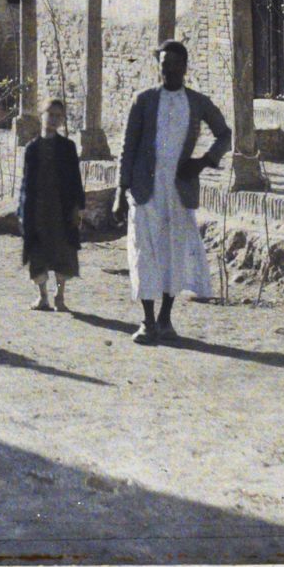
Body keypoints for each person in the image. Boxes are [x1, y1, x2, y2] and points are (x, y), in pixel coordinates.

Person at [113, 40, 230, 345]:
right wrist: (120, 192)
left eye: (174, 64)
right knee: (144, 253)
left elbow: (224, 134)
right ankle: (147, 322)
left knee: (172, 255)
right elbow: (128, 148)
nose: (168, 70)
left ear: (184, 67)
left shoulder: (197, 102)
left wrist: (202, 162)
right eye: (163, 64)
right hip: (144, 189)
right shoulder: (143, 101)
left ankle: (165, 319)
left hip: (179, 190)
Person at [18, 99, 85, 311]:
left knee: (62, 253)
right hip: (37, 211)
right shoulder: (32, 149)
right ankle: (42, 296)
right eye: (50, 114)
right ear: (42, 115)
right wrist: (22, 211)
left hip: (61, 209)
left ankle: (60, 295)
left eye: (59, 115)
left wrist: (77, 207)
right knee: (37, 254)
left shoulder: (68, 147)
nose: (54, 119)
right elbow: (26, 182)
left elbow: (75, 179)